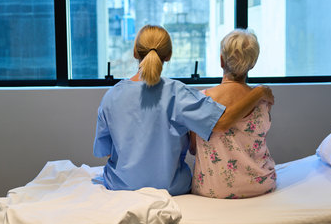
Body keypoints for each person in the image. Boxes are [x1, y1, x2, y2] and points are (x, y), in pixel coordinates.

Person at [93, 25, 274, 196]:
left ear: (135, 53)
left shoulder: (111, 96)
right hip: (171, 187)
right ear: (169, 55)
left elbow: (107, 151)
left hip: (121, 185)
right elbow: (222, 122)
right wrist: (259, 92)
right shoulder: (177, 92)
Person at [191, 29, 277, 199]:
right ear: (252, 64)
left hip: (212, 189)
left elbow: (193, 149)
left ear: (221, 60)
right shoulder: (263, 102)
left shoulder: (201, 100)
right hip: (260, 186)